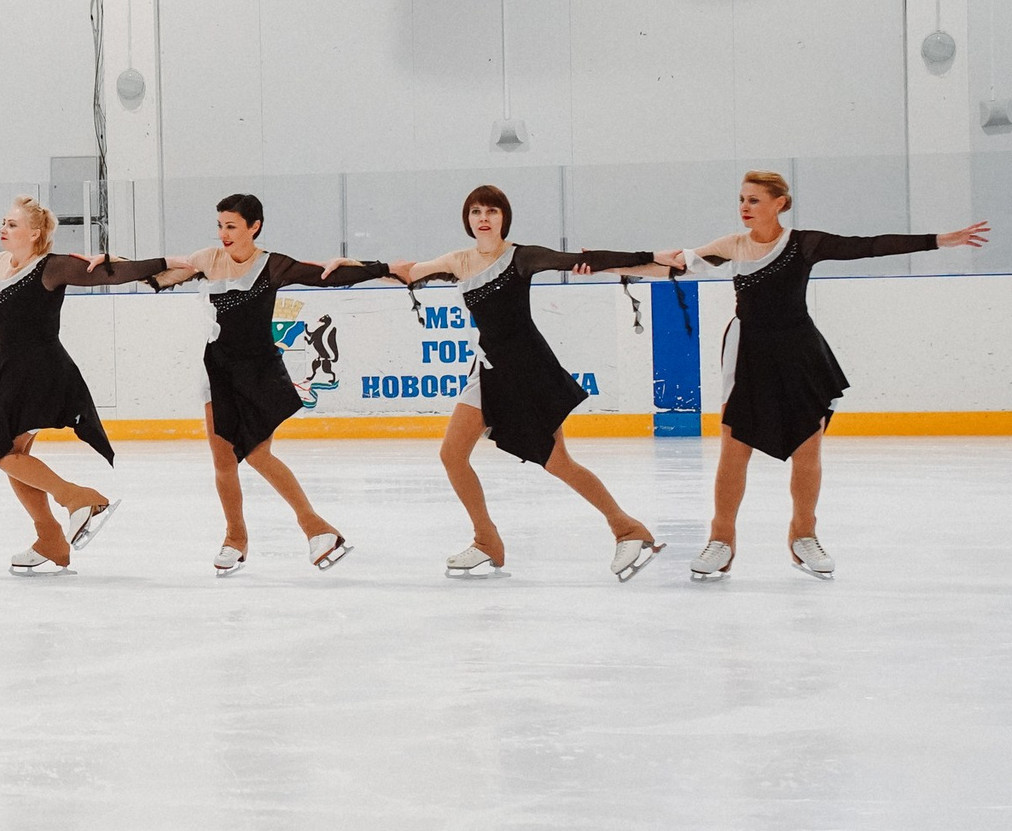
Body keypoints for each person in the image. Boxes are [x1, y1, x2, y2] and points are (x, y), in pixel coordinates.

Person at [675, 172, 988, 580]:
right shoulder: (732, 246)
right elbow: (673, 262)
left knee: (808, 447)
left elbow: (869, 247)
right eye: (741, 200)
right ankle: (722, 540)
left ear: (780, 203)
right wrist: (602, 264)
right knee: (734, 446)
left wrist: (937, 240)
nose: (745, 208)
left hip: (800, 351)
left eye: (754, 200)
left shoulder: (806, 243)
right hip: (748, 351)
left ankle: (803, 535)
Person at [386, 186, 674, 580]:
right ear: (467, 219)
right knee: (452, 454)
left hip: (527, 371)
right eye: (475, 211)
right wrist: (342, 266)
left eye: (491, 210)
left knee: (559, 463)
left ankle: (628, 529)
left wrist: (648, 260)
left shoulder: (520, 257)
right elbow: (404, 273)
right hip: (487, 371)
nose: (483, 217)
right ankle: (486, 541)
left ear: (504, 217)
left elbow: (580, 259)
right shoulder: (458, 261)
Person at [147, 193, 389, 576]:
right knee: (223, 460)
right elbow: (157, 275)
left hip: (258, 370)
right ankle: (235, 539)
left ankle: (316, 527)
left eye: (231, 226)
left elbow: (325, 277)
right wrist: (111, 265)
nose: (223, 234)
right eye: (220, 225)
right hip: (217, 371)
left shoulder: (272, 265)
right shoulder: (206, 261)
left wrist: (378, 267)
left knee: (258, 455)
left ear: (253, 227)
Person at [0, 197, 171, 574]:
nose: (4, 228)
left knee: (3, 454)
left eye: (13, 224)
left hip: (39, 369)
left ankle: (78, 498)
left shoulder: (50, 267)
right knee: (16, 456)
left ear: (35, 234)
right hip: (8, 369)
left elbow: (106, 275)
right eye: (4, 222)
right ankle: (50, 539)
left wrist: (165, 264)